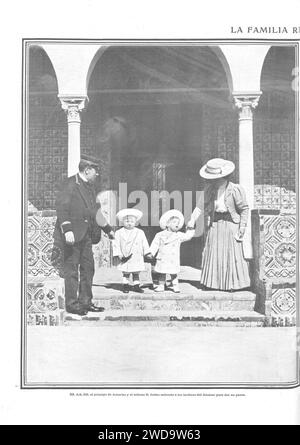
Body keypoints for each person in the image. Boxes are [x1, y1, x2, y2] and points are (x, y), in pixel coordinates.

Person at [54, 155, 114, 317]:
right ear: (87, 170)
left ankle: (86, 302)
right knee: (72, 270)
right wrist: (67, 230)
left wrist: (108, 229)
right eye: (95, 171)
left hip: (87, 235)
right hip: (72, 235)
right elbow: (62, 208)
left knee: (88, 268)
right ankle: (73, 305)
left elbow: (96, 212)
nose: (97, 175)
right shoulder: (69, 184)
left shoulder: (89, 187)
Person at [187, 158, 250, 291]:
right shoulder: (209, 190)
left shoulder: (235, 189)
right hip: (215, 224)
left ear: (223, 176)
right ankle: (213, 284)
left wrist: (242, 227)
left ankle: (232, 285)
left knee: (231, 255)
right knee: (214, 253)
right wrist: (192, 220)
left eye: (214, 178)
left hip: (230, 224)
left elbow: (244, 209)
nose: (212, 180)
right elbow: (199, 207)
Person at [149, 210, 195, 293]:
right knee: (162, 273)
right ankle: (161, 286)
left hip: (172, 258)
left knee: (173, 273)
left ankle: (175, 286)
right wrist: (151, 253)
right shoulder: (160, 235)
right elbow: (155, 244)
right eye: (174, 222)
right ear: (167, 224)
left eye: (178, 223)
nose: (177, 224)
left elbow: (188, 236)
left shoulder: (179, 235)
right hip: (162, 257)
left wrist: (190, 228)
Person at [112, 208, 150, 293]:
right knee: (126, 272)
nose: (129, 223)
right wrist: (118, 254)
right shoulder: (119, 232)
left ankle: (136, 285)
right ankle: (126, 285)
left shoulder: (140, 232)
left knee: (136, 272)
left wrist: (147, 252)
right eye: (127, 221)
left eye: (132, 222)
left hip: (136, 255)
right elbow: (116, 244)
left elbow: (144, 243)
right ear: (123, 222)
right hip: (125, 255)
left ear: (136, 222)